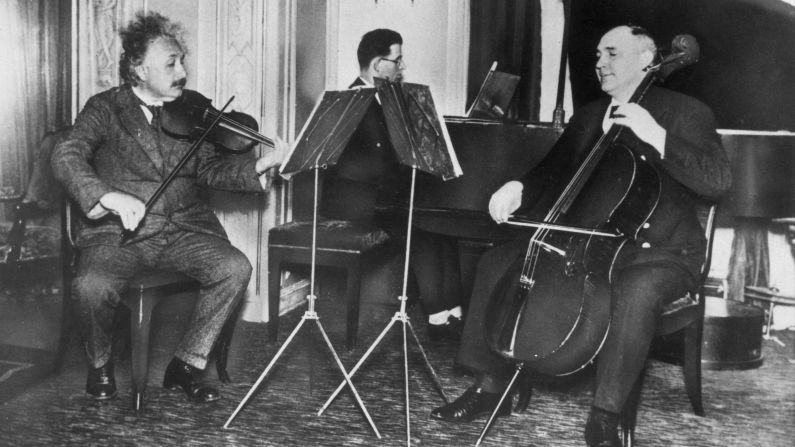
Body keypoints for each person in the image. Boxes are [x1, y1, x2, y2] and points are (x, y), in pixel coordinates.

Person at [430, 25, 732, 446]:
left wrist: (656, 136)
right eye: (596, 55)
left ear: (648, 60)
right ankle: (490, 387)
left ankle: (605, 418)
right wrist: (519, 187)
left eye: (612, 53)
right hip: (591, 240)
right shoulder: (591, 114)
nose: (599, 63)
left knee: (636, 291)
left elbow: (717, 180)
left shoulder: (686, 112)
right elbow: (554, 172)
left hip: (660, 251)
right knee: (496, 262)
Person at [51, 11, 286, 404]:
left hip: (185, 229)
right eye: (171, 63)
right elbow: (66, 154)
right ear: (139, 69)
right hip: (121, 233)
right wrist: (107, 196)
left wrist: (259, 166)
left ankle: (187, 364)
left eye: (182, 62)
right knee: (91, 285)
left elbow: (212, 169)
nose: (182, 72)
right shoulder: (105, 108)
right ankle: (101, 363)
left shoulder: (191, 110)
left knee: (234, 268)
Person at [320, 28, 464, 341]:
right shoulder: (353, 101)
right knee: (424, 224)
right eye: (396, 61)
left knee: (443, 220)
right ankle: (438, 318)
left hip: (378, 191)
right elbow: (366, 166)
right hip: (353, 198)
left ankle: (454, 310)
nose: (400, 68)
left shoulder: (385, 99)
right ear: (376, 65)